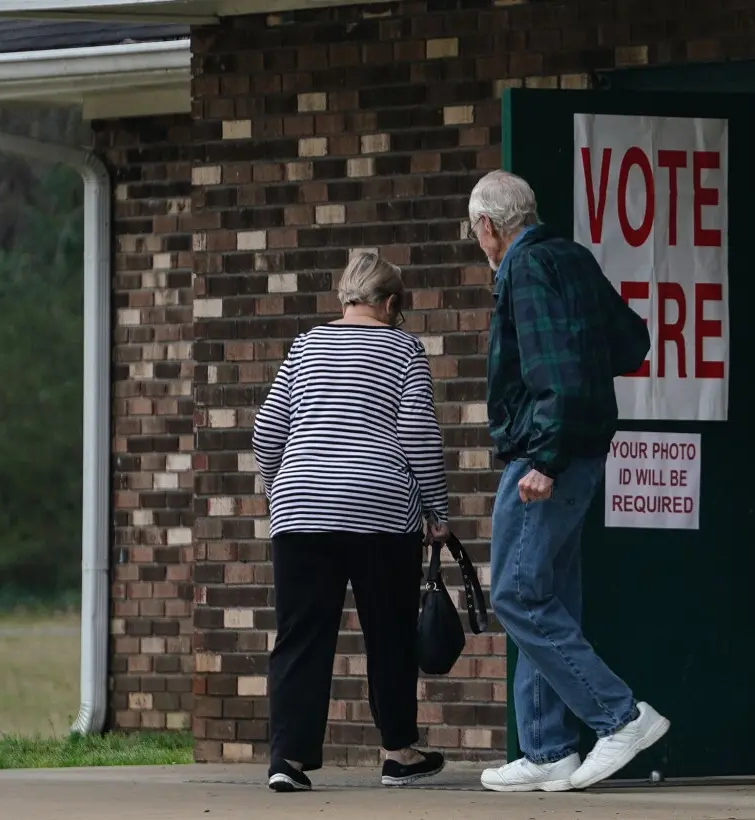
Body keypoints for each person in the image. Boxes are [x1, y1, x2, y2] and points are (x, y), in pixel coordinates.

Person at [468, 170, 669, 792]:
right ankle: (549, 749)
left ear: (488, 228)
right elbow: (632, 341)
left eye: (474, 233)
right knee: (547, 597)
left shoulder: (525, 270)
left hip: (544, 458)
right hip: (576, 453)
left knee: (518, 596)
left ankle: (621, 716)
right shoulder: (571, 258)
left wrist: (544, 459)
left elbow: (551, 367)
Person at [251, 250, 449, 792]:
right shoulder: (404, 349)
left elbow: (268, 431)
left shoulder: (306, 345)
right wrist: (437, 511)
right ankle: (397, 753)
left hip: (300, 509)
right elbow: (418, 436)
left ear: (345, 298)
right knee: (389, 633)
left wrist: (274, 485)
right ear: (389, 303)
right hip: (382, 511)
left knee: (299, 635)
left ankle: (287, 761)